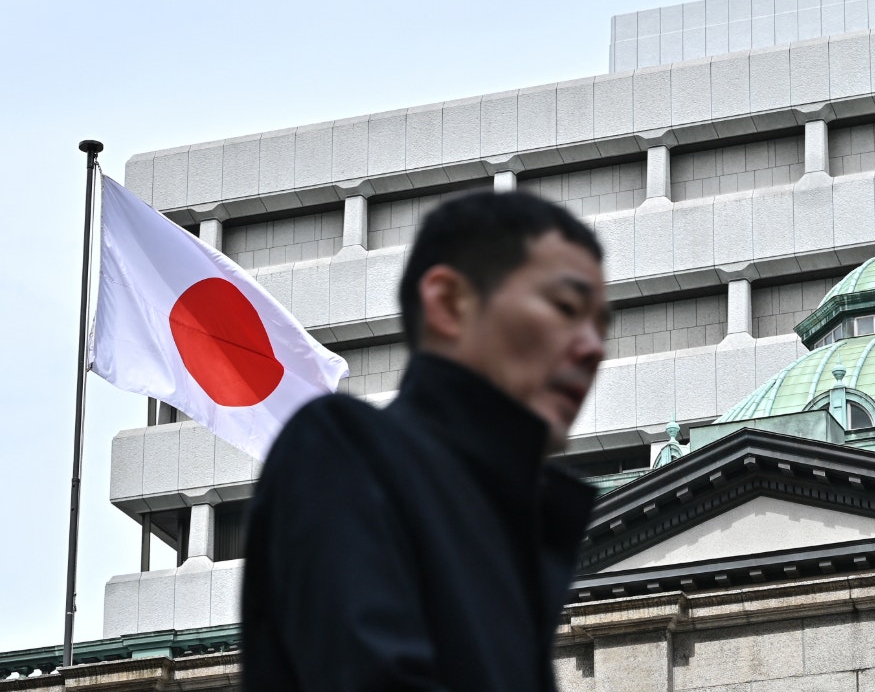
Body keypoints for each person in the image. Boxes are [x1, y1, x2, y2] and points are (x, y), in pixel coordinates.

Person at [241, 191, 609, 691]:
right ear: (449, 302)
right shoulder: (344, 449)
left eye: (601, 325)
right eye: (565, 306)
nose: (593, 347)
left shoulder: (514, 535)